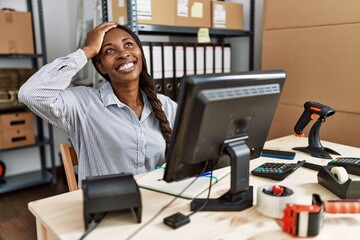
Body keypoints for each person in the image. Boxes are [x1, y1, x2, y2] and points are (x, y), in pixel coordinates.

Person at [18, 22, 178, 187]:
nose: (123, 54)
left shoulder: (166, 106)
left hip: (157, 203)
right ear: (101, 66)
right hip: (107, 208)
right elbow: (30, 93)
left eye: (128, 44)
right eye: (109, 50)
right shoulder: (84, 104)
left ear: (140, 53)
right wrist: (87, 51)